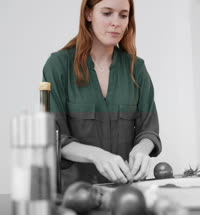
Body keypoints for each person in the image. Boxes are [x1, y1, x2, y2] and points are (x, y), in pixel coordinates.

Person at [42, 0, 161, 191]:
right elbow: (54, 137)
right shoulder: (57, 66)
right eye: (107, 13)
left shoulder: (136, 68)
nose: (116, 22)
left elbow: (149, 130)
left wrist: (142, 150)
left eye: (123, 15)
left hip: (126, 194)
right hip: (75, 195)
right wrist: (96, 155)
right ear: (88, 14)